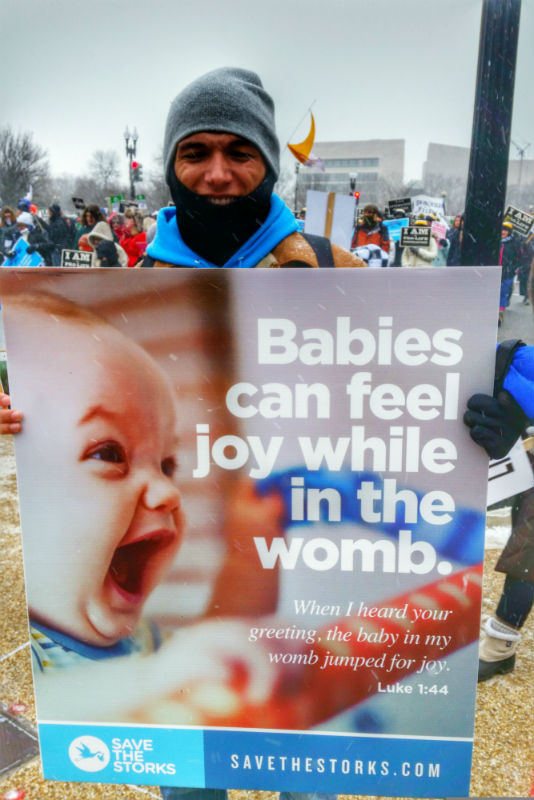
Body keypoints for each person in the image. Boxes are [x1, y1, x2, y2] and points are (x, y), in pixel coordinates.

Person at [144, 67, 364, 270]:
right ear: (171, 168)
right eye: (195, 155)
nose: (218, 176)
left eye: (240, 154)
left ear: (269, 166)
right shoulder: (131, 288)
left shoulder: (342, 271)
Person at [498, 219, 520, 325]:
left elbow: (518, 257)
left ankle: (500, 314)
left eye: (506, 230)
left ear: (509, 232)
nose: (503, 232)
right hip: (495, 271)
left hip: (507, 272)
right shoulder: (495, 240)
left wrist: (514, 268)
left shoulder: (514, 243)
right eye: (502, 229)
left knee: (503, 292)